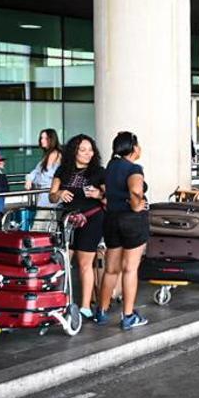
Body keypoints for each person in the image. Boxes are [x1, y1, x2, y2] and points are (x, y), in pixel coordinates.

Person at [49, 134, 106, 322]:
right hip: (68, 221)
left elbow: (109, 197)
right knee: (62, 262)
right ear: (74, 151)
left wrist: (99, 194)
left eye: (90, 149)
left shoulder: (99, 172)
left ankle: (85, 306)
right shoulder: (62, 171)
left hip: (92, 219)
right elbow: (52, 196)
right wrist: (59, 193)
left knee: (84, 263)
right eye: (83, 150)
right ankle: (60, 301)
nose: (87, 153)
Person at [98, 131, 150, 330]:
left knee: (111, 269)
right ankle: (128, 316)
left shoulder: (111, 166)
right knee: (130, 268)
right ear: (134, 148)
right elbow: (136, 190)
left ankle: (101, 311)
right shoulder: (134, 168)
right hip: (131, 221)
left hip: (111, 219)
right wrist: (138, 204)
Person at [25, 128, 62, 209]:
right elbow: (38, 171)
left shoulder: (54, 154)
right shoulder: (48, 154)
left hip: (48, 193)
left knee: (41, 219)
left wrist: (31, 178)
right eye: (41, 138)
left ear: (51, 139)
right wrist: (30, 178)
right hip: (45, 193)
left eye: (45, 138)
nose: (42, 140)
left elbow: (44, 177)